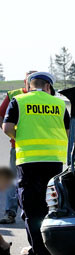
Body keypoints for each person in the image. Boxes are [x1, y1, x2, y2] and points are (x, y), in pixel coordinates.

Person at [2, 72, 69, 255]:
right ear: (48, 86)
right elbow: (66, 131)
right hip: (54, 162)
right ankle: (52, 250)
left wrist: (20, 136)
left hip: (29, 161)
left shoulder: (19, 101)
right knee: (50, 206)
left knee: (31, 209)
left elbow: (7, 128)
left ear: (30, 85)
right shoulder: (58, 104)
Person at [0, 70, 37, 224]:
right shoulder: (13, 95)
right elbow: (1, 115)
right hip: (19, 146)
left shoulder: (45, 96)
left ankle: (39, 212)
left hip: (41, 148)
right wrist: (11, 133)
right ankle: (10, 212)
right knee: (14, 179)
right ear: (25, 81)